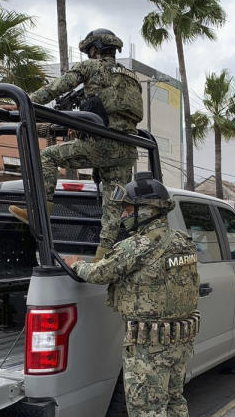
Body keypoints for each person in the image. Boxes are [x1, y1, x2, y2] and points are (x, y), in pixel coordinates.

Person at [62, 173, 201, 417]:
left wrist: (74, 264)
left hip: (148, 342)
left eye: (127, 209)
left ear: (146, 210)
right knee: (173, 401)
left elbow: (99, 274)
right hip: (178, 337)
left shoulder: (137, 245)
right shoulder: (183, 241)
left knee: (145, 407)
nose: (123, 215)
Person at [10, 28, 144, 259]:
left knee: (48, 156)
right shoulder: (132, 77)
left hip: (100, 144)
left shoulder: (91, 67)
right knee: (113, 206)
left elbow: (56, 87)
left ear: (95, 49)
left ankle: (41, 212)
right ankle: (104, 255)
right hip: (126, 148)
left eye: (90, 50)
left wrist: (23, 103)